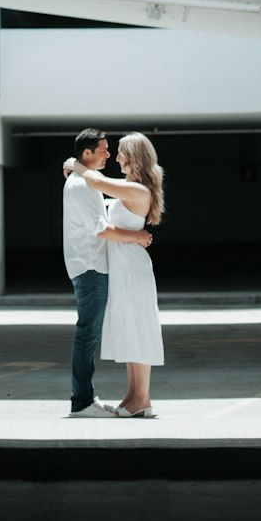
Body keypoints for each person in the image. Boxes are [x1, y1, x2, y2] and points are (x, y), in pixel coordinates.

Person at [66, 131, 164, 418]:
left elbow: (96, 182)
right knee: (129, 328)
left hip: (132, 267)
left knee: (139, 327)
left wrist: (74, 162)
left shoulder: (139, 190)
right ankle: (133, 396)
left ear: (134, 158)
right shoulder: (130, 187)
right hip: (122, 265)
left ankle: (142, 398)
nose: (115, 157)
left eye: (120, 152)